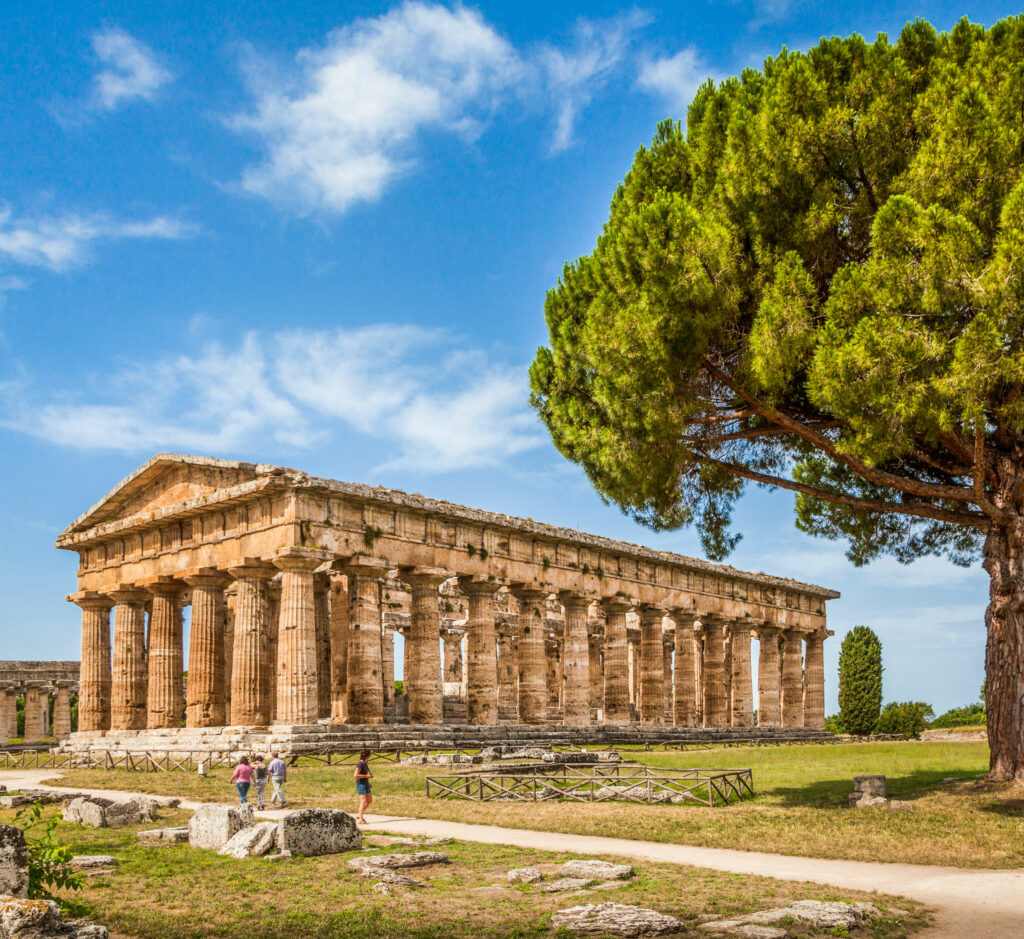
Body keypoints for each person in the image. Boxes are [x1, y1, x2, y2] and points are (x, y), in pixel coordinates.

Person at [355, 748, 373, 824]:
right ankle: (360, 819)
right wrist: (367, 777)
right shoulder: (360, 764)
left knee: (369, 800)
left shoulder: (365, 762)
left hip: (365, 783)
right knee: (363, 801)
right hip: (361, 784)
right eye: (369, 754)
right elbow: (355, 775)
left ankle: (359, 814)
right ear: (367, 755)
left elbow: (366, 774)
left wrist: (368, 782)